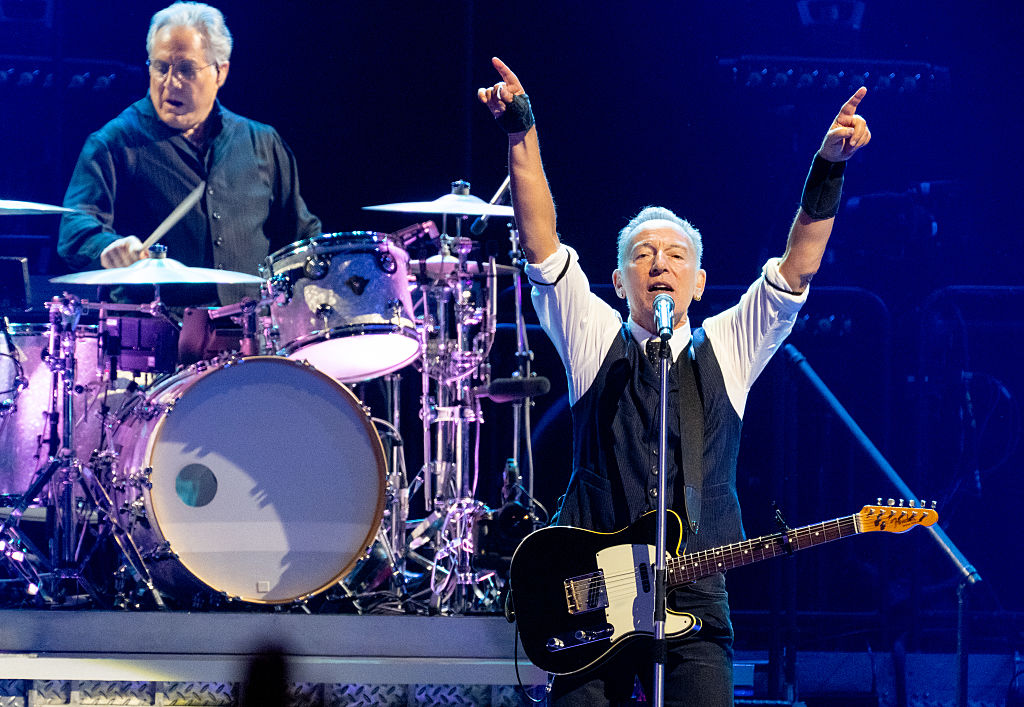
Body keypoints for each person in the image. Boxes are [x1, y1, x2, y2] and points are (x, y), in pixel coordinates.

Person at [477, 57, 870, 706]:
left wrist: (829, 164)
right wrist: (522, 129)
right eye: (642, 254)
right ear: (620, 278)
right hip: (589, 601)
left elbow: (798, 266)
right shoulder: (594, 337)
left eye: (676, 254)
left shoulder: (728, 349)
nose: (659, 262)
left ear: (700, 283)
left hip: (695, 602)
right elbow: (539, 238)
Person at [58, 1, 320, 305]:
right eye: (160, 67)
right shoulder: (114, 143)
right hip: (154, 338)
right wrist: (109, 247)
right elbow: (75, 228)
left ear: (220, 72)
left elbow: (300, 236)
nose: (170, 82)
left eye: (186, 69)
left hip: (252, 335)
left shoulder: (261, 142)